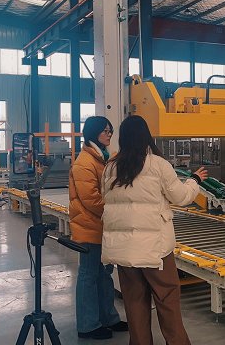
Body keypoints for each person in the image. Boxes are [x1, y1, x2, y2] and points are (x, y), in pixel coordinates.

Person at [101, 115, 208, 345]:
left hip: (124, 251)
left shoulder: (110, 167)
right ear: (146, 136)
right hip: (155, 251)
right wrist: (194, 181)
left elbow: (107, 199)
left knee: (134, 304)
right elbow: (181, 197)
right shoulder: (158, 165)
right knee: (167, 302)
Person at [68, 116, 128, 340]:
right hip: (89, 227)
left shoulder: (104, 158)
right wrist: (116, 211)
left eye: (110, 131)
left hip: (102, 226)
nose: (109, 134)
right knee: (89, 275)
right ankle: (88, 325)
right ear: (94, 133)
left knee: (104, 274)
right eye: (105, 131)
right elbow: (90, 199)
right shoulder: (85, 162)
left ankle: (108, 318)